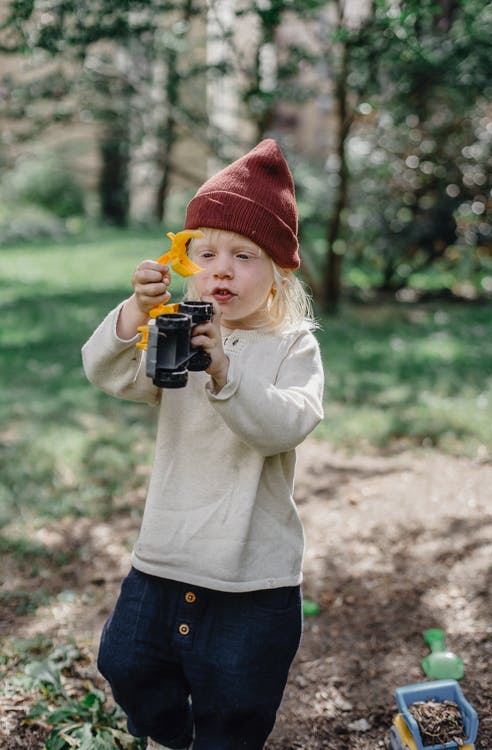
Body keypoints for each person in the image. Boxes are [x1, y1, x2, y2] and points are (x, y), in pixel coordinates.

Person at [82, 138, 324, 750]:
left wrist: (223, 373)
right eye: (206, 252)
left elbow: (286, 424)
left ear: (277, 271)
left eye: (244, 256)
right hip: (166, 552)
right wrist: (136, 316)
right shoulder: (178, 327)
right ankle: (169, 739)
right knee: (128, 663)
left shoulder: (292, 346)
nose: (222, 267)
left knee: (238, 700)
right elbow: (110, 375)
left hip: (252, 571)